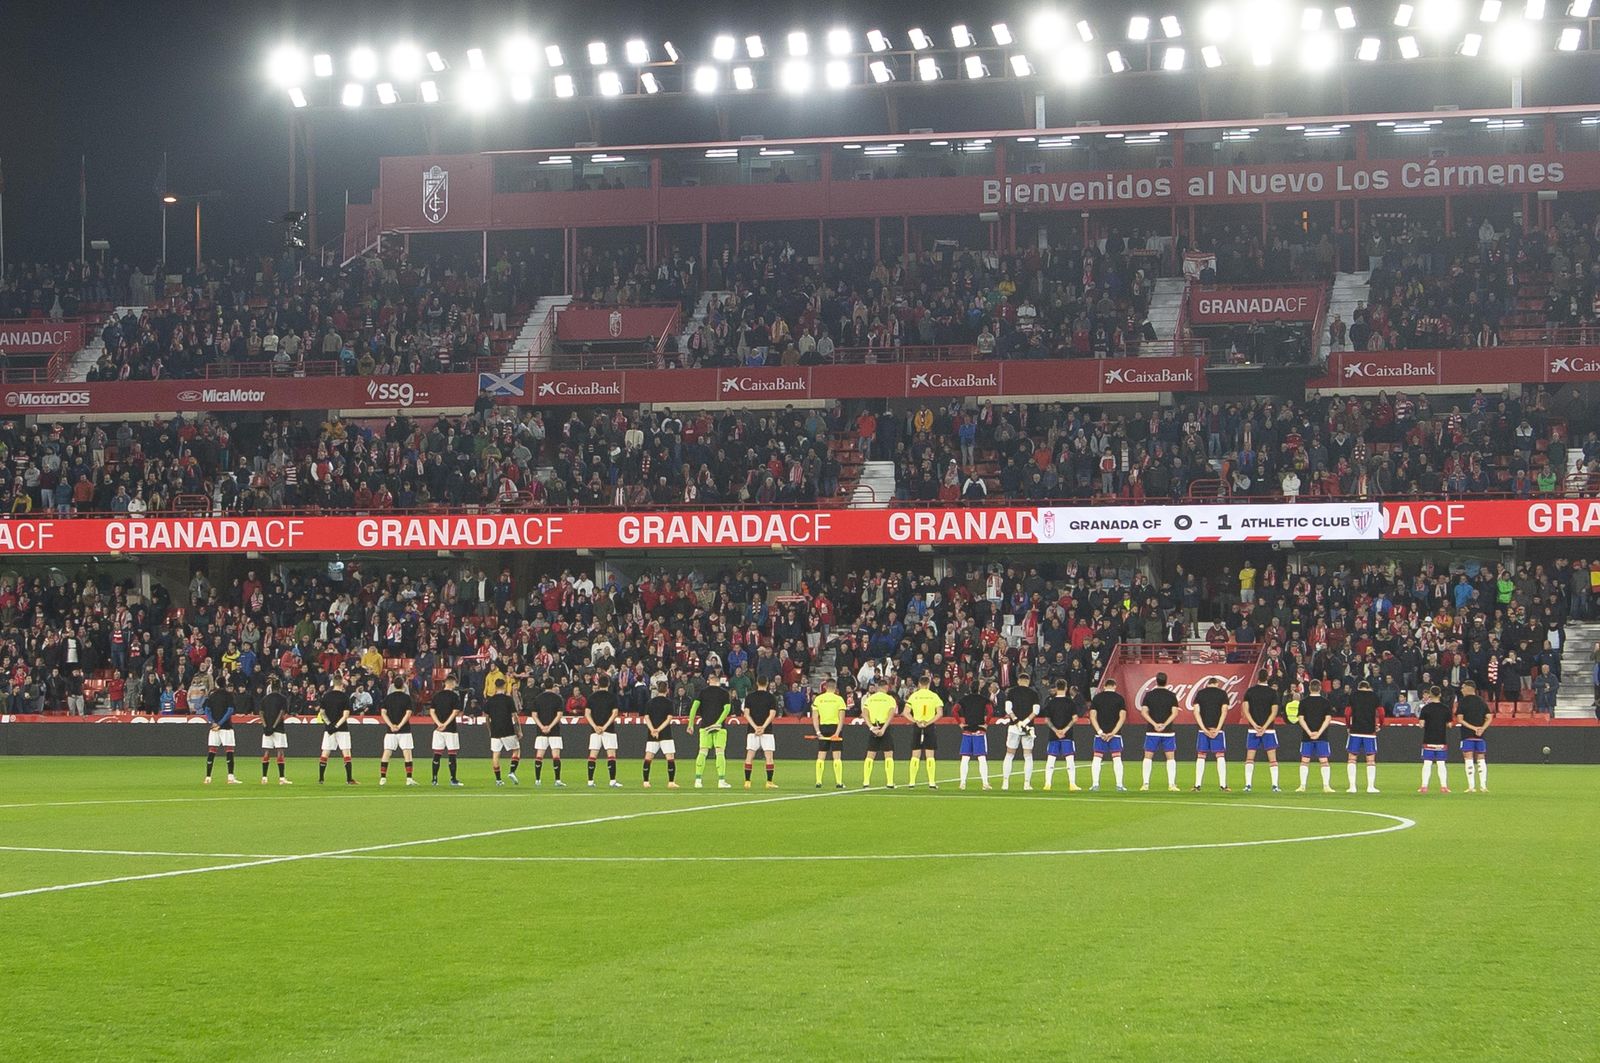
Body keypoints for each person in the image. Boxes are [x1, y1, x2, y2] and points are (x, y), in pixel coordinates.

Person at [687, 671, 732, 789]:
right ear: (718, 682)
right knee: (720, 752)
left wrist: (690, 724)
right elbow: (727, 709)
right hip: (719, 728)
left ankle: (698, 780)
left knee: (702, 752)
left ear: (709, 682)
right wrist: (718, 723)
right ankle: (721, 781)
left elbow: (694, 708)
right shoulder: (724, 693)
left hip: (705, 726)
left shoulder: (702, 692)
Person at [1139, 673, 1181, 792]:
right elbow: (1174, 713)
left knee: (1148, 757)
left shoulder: (1149, 695)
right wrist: (1164, 724)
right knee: (1170, 758)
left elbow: (1144, 712)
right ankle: (1172, 784)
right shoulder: (1172, 695)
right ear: (1166, 681)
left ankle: (1145, 784)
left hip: (1152, 732)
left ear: (1156, 681)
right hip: (1168, 732)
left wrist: (1154, 724)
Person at [1001, 673, 1041, 791]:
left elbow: (1008, 709)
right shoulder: (1034, 693)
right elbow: (1036, 711)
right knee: (1028, 756)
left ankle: (1005, 782)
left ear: (1019, 681)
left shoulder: (1011, 692)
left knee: (1009, 755)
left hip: (1014, 727)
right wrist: (1025, 722)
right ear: (1028, 681)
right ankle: (1027, 783)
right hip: (1028, 728)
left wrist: (1017, 721)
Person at [1241, 676, 1281, 793]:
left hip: (1253, 730)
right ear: (1267, 679)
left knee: (1249, 758)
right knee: (1272, 759)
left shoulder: (1250, 691)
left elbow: (1245, 710)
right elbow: (1274, 712)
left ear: (1258, 679)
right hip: (1268, 730)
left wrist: (1254, 724)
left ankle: (1248, 785)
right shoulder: (1272, 692)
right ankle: (1275, 785)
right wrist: (1264, 727)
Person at [1041, 679, 1081, 792]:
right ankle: (1072, 784)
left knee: (1051, 759)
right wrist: (1064, 730)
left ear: (1056, 688)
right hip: (1067, 735)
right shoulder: (1070, 702)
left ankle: (1047, 783)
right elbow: (1075, 718)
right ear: (1066, 688)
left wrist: (1056, 730)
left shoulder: (1050, 702)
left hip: (1054, 736)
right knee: (1069, 759)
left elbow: (1046, 720)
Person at [904, 673, 943, 790]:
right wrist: (929, 722)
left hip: (917, 726)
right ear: (929, 684)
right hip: (929, 726)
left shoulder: (914, 696)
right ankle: (931, 782)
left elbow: (905, 712)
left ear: (919, 684)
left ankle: (911, 782)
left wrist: (916, 721)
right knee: (930, 754)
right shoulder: (934, 696)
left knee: (915, 754)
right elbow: (940, 713)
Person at [1295, 682, 1336, 794]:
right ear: (1320, 688)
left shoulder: (1303, 702)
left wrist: (1309, 732)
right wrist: (1319, 732)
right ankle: (1326, 786)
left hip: (1307, 736)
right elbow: (1327, 719)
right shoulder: (1326, 702)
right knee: (1324, 761)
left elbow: (1301, 719)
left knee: (1305, 761)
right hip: (1322, 736)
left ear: (1309, 688)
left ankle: (1302, 786)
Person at [1089, 678, 1128, 792]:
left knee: (1097, 758)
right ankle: (1119, 785)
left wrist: (1100, 732)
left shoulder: (1097, 698)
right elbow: (1122, 717)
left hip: (1100, 735)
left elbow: (1092, 716)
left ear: (1104, 686)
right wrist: (1113, 733)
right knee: (1117, 759)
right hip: (1114, 735)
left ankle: (1095, 784)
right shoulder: (1119, 698)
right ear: (1115, 686)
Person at [1345, 680, 1383, 794]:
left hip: (1355, 730)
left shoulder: (1353, 696)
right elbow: (1381, 712)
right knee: (1370, 759)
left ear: (1358, 687)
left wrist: (1348, 726)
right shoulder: (1374, 696)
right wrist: (1380, 724)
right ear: (1368, 687)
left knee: (1352, 758)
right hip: (1369, 732)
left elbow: (1347, 713)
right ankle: (1370, 787)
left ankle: (1352, 787)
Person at [1192, 676, 1230, 791]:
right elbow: (1224, 711)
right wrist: (1218, 729)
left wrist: (1204, 729)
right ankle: (1223, 785)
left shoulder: (1200, 693)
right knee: (1220, 756)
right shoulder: (1222, 694)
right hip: (1217, 730)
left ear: (1208, 683)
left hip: (1203, 730)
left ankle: (1197, 785)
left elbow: (1196, 712)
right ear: (1217, 683)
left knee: (1201, 756)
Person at [317, 674, 357, 786]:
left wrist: (330, 725)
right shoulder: (344, 697)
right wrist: (336, 726)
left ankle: (321, 778)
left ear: (333, 682)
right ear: (342, 683)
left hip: (329, 729)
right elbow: (345, 715)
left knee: (325, 752)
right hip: (342, 729)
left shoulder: (326, 696)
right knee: (346, 753)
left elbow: (322, 713)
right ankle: (349, 779)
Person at [741, 673, 778, 789]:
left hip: (752, 731)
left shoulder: (749, 697)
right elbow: (772, 714)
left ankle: (747, 781)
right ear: (767, 684)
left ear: (757, 683)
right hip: (767, 731)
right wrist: (763, 727)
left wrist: (755, 727)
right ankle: (769, 782)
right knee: (769, 756)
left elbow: (746, 714)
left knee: (750, 755)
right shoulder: (771, 697)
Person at [378, 678, 417, 786]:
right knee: (407, 753)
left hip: (390, 731)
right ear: (403, 686)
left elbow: (383, 713)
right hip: (404, 730)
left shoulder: (388, 698)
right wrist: (399, 726)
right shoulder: (407, 698)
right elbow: (408, 713)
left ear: (393, 686)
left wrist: (391, 725)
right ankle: (409, 779)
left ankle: (383, 778)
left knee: (387, 753)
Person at [1456, 680, 1493, 793]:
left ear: (1468, 688)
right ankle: (1483, 786)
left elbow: (1460, 719)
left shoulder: (1463, 702)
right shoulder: (1482, 701)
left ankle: (1471, 786)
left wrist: (1473, 728)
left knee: (1468, 759)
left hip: (1467, 735)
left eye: (1463, 687)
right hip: (1480, 736)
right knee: (1481, 760)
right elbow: (1489, 717)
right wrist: (1482, 728)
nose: (1461, 690)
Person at [860, 679, 898, 788]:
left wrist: (871, 728)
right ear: (886, 687)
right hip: (883, 727)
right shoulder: (890, 699)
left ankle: (866, 781)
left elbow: (864, 714)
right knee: (888, 754)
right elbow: (891, 714)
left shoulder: (870, 699)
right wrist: (884, 728)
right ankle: (890, 782)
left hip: (874, 727)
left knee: (870, 755)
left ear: (877, 687)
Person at [642, 678, 679, 789]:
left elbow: (646, 718)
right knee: (670, 757)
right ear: (667, 690)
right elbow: (668, 719)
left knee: (648, 757)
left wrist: (653, 729)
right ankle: (671, 782)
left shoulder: (650, 702)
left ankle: (646, 781)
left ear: (657, 690)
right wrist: (659, 730)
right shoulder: (669, 703)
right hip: (665, 733)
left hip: (652, 734)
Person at [585, 675, 622, 788]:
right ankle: (612, 781)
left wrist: (595, 726)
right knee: (611, 755)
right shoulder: (612, 697)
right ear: (609, 684)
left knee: (593, 755)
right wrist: (605, 727)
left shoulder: (591, 697)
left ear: (598, 684)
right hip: (609, 730)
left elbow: (587, 714)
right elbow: (614, 713)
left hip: (595, 730)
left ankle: (590, 781)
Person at [811, 676, 847, 789]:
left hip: (823, 727)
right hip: (834, 727)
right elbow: (842, 718)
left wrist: (818, 732)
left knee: (821, 755)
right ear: (835, 687)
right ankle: (839, 782)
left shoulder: (818, 699)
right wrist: (837, 732)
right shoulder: (839, 699)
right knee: (837, 756)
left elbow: (815, 717)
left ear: (825, 687)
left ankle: (818, 781)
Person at [429, 673, 464, 787]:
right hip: (450, 729)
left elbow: (432, 711)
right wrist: (445, 724)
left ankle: (434, 779)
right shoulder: (454, 696)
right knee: (452, 754)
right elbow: (455, 712)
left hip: (438, 730)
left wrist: (438, 724)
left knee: (437, 754)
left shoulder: (436, 696)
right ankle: (453, 779)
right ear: (452, 683)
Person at [484, 678, 521, 786]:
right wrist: (519, 730)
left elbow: (487, 718)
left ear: (495, 687)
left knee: (496, 754)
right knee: (516, 750)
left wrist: (490, 730)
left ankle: (498, 780)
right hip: (507, 729)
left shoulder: (489, 701)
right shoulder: (508, 699)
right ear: (504, 686)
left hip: (495, 730)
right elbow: (515, 716)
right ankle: (512, 771)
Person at [957, 680, 993, 790]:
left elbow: (954, 710)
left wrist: (960, 722)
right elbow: (990, 711)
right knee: (981, 758)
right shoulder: (984, 700)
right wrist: (986, 723)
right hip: (979, 731)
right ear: (979, 688)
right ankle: (985, 783)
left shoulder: (964, 699)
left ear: (969, 688)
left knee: (965, 758)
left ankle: (962, 783)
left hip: (967, 730)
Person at [203, 678, 239, 785]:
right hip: (226, 727)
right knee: (229, 751)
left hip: (214, 728)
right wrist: (220, 723)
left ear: (216, 684)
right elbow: (230, 710)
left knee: (212, 752)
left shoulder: (212, 696)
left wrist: (213, 722)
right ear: (225, 684)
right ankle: (230, 777)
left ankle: (208, 777)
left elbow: (207, 710)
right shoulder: (229, 695)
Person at [530, 676, 565, 786]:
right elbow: (559, 715)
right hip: (554, 731)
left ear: (544, 686)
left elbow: (534, 715)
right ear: (553, 685)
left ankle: (537, 780)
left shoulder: (538, 698)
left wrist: (542, 726)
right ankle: (557, 780)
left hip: (541, 731)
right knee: (556, 756)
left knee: (539, 755)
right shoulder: (558, 698)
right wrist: (550, 726)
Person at [1418, 686, 1452, 794]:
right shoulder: (1446, 709)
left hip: (1428, 739)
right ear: (1440, 694)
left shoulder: (1425, 708)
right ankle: (1444, 786)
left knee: (1427, 763)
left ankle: (1424, 786)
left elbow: (1421, 724)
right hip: (1441, 740)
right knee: (1441, 764)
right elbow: (1450, 725)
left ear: (1430, 695)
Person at [258, 676, 291, 785]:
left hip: (267, 729)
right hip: (278, 729)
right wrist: (274, 726)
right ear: (280, 687)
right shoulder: (283, 698)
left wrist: (266, 726)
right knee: (280, 751)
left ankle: (264, 777)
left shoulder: (265, 699)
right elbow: (282, 713)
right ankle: (281, 778)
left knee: (267, 751)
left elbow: (261, 713)